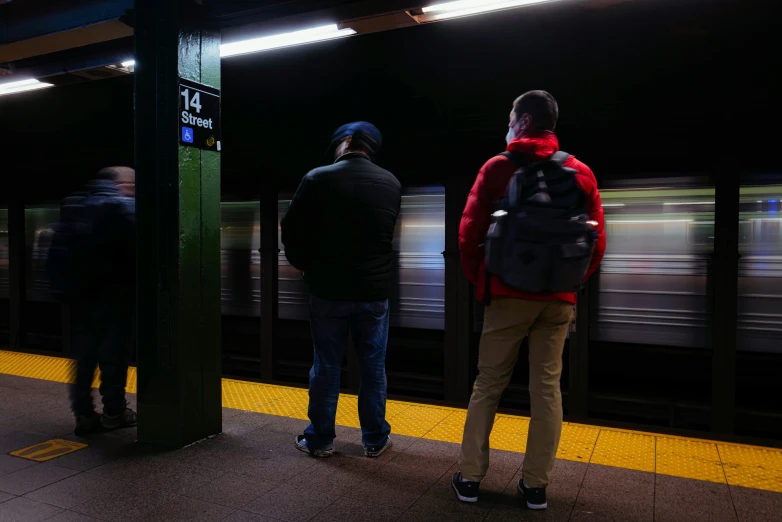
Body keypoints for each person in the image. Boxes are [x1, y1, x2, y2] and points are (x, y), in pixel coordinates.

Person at [453, 91, 606, 509]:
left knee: (488, 384)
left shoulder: (498, 168)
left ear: (521, 121)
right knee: (547, 388)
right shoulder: (581, 172)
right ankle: (535, 485)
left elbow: (469, 234)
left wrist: (485, 282)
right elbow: (598, 242)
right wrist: (569, 284)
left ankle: (469, 478)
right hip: (558, 300)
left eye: (510, 117)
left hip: (506, 293)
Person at [281, 122, 401, 458]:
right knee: (373, 367)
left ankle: (320, 439)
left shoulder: (318, 177)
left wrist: (302, 262)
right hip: (374, 293)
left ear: (346, 142)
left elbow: (291, 227)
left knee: (327, 366)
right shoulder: (391, 182)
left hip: (328, 289)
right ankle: (375, 438)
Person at [50, 166, 138, 435]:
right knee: (113, 357)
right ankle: (114, 412)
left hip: (79, 298)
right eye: (130, 184)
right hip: (114, 297)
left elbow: (55, 253)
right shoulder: (122, 206)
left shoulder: (74, 205)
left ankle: (84, 416)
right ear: (117, 183)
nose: (133, 189)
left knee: (83, 358)